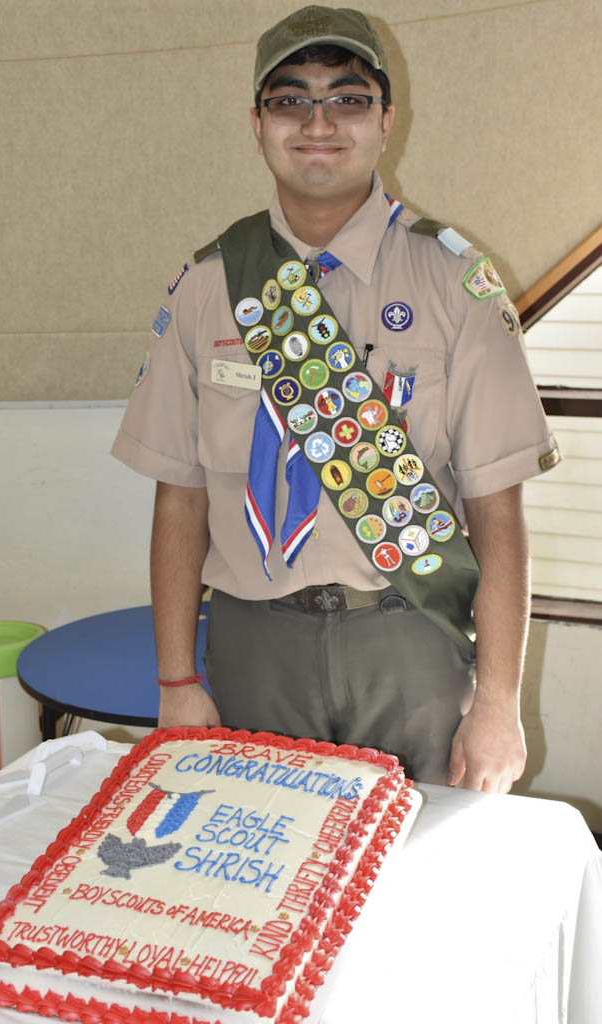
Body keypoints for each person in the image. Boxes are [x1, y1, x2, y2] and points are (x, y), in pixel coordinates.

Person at [112, 5, 559, 790]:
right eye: (290, 100)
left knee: (416, 873)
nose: (317, 122)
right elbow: (178, 498)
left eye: (346, 98)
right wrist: (176, 679)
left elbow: (496, 512)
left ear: (386, 120)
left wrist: (497, 700)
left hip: (409, 639)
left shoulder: (453, 284)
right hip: (255, 647)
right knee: (265, 881)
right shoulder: (210, 286)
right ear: (257, 124)